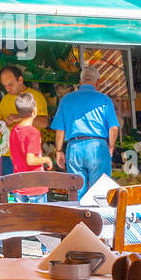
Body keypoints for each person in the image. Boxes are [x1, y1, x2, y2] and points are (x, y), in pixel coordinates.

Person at [51, 64, 120, 200]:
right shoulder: (104, 100)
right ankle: (98, 220)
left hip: (74, 148)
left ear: (80, 82)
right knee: (99, 192)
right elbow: (114, 128)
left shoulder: (67, 99)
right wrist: (111, 147)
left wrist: (58, 151)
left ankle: (81, 220)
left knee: (78, 191)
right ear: (97, 83)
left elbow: (60, 130)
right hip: (98, 147)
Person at [0, 65, 48, 176]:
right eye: (5, 86)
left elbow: (44, 122)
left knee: (28, 189)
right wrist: (4, 123)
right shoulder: (5, 99)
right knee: (10, 191)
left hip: (28, 155)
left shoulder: (35, 97)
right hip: (7, 155)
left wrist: (19, 118)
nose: (7, 89)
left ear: (20, 80)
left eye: (10, 85)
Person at [8, 92, 53, 201]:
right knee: (40, 217)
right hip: (35, 185)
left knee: (20, 217)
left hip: (18, 183)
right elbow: (31, 160)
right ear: (34, 112)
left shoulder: (14, 131)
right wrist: (46, 159)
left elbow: (12, 156)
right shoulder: (33, 132)